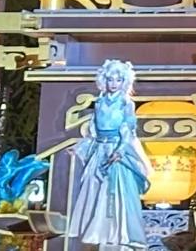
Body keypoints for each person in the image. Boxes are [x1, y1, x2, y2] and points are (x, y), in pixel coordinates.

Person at [67, 59, 154, 251]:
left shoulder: (126, 103)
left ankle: (120, 234)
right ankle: (98, 233)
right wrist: (80, 147)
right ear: (103, 80)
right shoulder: (99, 102)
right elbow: (93, 132)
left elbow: (128, 131)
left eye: (118, 80)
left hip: (117, 150)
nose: (113, 84)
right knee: (96, 189)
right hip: (100, 150)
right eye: (110, 79)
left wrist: (120, 151)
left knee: (117, 191)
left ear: (124, 82)